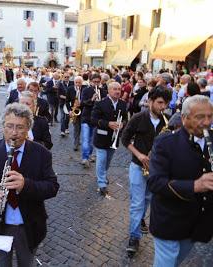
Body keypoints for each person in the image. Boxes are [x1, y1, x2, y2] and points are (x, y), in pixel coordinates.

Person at [0, 103, 59, 266]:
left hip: (29, 226)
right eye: (9, 126)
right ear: (3, 126)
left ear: (28, 129)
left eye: (20, 127)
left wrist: (26, 185)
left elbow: (52, 187)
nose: (14, 133)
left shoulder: (42, 153)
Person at [148, 95, 213, 266]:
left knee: (176, 261)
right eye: (200, 117)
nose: (207, 122)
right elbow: (155, 182)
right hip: (169, 221)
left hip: (197, 222)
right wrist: (195, 186)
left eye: (210, 116)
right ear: (184, 118)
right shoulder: (165, 143)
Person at [121, 85, 172, 256]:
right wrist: (140, 155)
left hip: (156, 170)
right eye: (159, 103)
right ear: (150, 101)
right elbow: (125, 139)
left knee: (147, 199)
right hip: (137, 166)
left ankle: (138, 221)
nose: (163, 107)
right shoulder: (138, 118)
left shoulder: (168, 121)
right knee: (137, 204)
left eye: (165, 104)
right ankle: (134, 237)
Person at [91, 81, 128, 197]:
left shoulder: (122, 104)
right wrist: (108, 124)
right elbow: (93, 119)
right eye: (115, 89)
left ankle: (102, 174)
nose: (118, 91)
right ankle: (102, 183)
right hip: (101, 138)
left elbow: (125, 119)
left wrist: (123, 124)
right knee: (101, 160)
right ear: (109, 91)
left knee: (107, 161)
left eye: (119, 89)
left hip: (114, 139)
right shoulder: (100, 104)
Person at [80, 73, 107, 168]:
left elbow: (105, 104)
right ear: (91, 81)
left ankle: (89, 154)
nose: (96, 84)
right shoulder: (86, 90)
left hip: (96, 119)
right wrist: (92, 99)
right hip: (86, 117)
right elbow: (82, 103)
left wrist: (101, 102)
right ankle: (85, 158)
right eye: (94, 82)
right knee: (86, 139)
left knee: (92, 140)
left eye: (98, 82)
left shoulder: (103, 91)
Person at [66, 76, 84, 151]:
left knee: (82, 127)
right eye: (76, 82)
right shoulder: (70, 89)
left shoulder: (85, 89)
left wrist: (82, 103)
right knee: (76, 128)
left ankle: (79, 140)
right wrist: (69, 110)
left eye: (79, 83)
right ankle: (76, 144)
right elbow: (67, 101)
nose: (77, 84)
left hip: (83, 110)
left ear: (82, 83)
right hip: (74, 111)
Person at [58, 72, 73, 136]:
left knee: (67, 117)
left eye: (68, 77)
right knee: (62, 117)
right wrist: (67, 97)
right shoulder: (60, 84)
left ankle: (66, 128)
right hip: (62, 103)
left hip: (70, 104)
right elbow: (59, 95)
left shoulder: (72, 83)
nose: (66, 78)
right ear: (63, 77)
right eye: (65, 77)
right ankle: (62, 131)